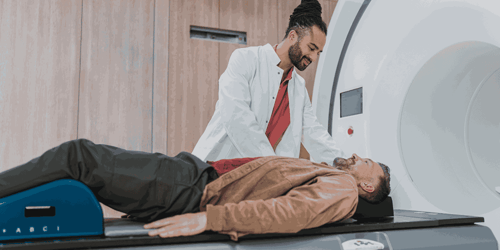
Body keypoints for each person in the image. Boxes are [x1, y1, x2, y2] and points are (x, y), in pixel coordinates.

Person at [0, 139, 390, 241]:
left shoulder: (343, 189)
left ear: (369, 183)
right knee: (83, 163)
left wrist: (209, 219)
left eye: (366, 160)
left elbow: (292, 214)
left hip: (191, 188)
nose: (357, 156)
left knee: (79, 157)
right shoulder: (330, 173)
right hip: (190, 174)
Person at [192, 0, 346, 164]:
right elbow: (236, 116)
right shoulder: (246, 59)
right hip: (215, 165)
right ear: (292, 36)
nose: (314, 58)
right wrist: (273, 165)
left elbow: (313, 132)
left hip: (255, 175)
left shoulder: (298, 87)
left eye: (318, 52)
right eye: (311, 48)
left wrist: (345, 164)